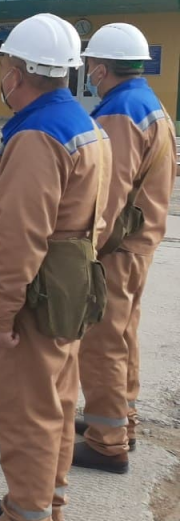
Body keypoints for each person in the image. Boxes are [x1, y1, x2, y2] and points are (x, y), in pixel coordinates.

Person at [0, 13, 109, 521]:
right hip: (65, 285)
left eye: (5, 66)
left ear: (17, 73)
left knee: (26, 411)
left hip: (33, 296)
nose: (3, 76)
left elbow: (20, 234)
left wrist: (3, 312)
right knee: (56, 405)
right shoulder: (81, 122)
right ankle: (44, 506)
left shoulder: (38, 136)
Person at [74, 23, 176, 474]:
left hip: (117, 246)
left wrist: (87, 248)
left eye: (91, 64)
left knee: (102, 341)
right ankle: (119, 421)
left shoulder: (120, 111)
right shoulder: (147, 102)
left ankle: (106, 442)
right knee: (123, 335)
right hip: (139, 241)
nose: (89, 72)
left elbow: (108, 192)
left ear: (100, 67)